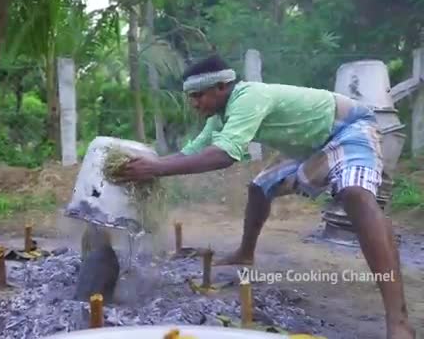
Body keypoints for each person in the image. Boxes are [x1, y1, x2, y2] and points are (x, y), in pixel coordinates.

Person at [115, 55, 415, 339]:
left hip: (351, 130)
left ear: (222, 87)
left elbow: (223, 156)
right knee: (260, 188)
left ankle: (398, 320)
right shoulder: (219, 119)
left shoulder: (249, 97)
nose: (194, 104)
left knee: (356, 195)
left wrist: (156, 168)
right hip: (310, 148)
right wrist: (150, 166)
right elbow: (190, 153)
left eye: (199, 95)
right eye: (191, 97)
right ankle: (246, 252)